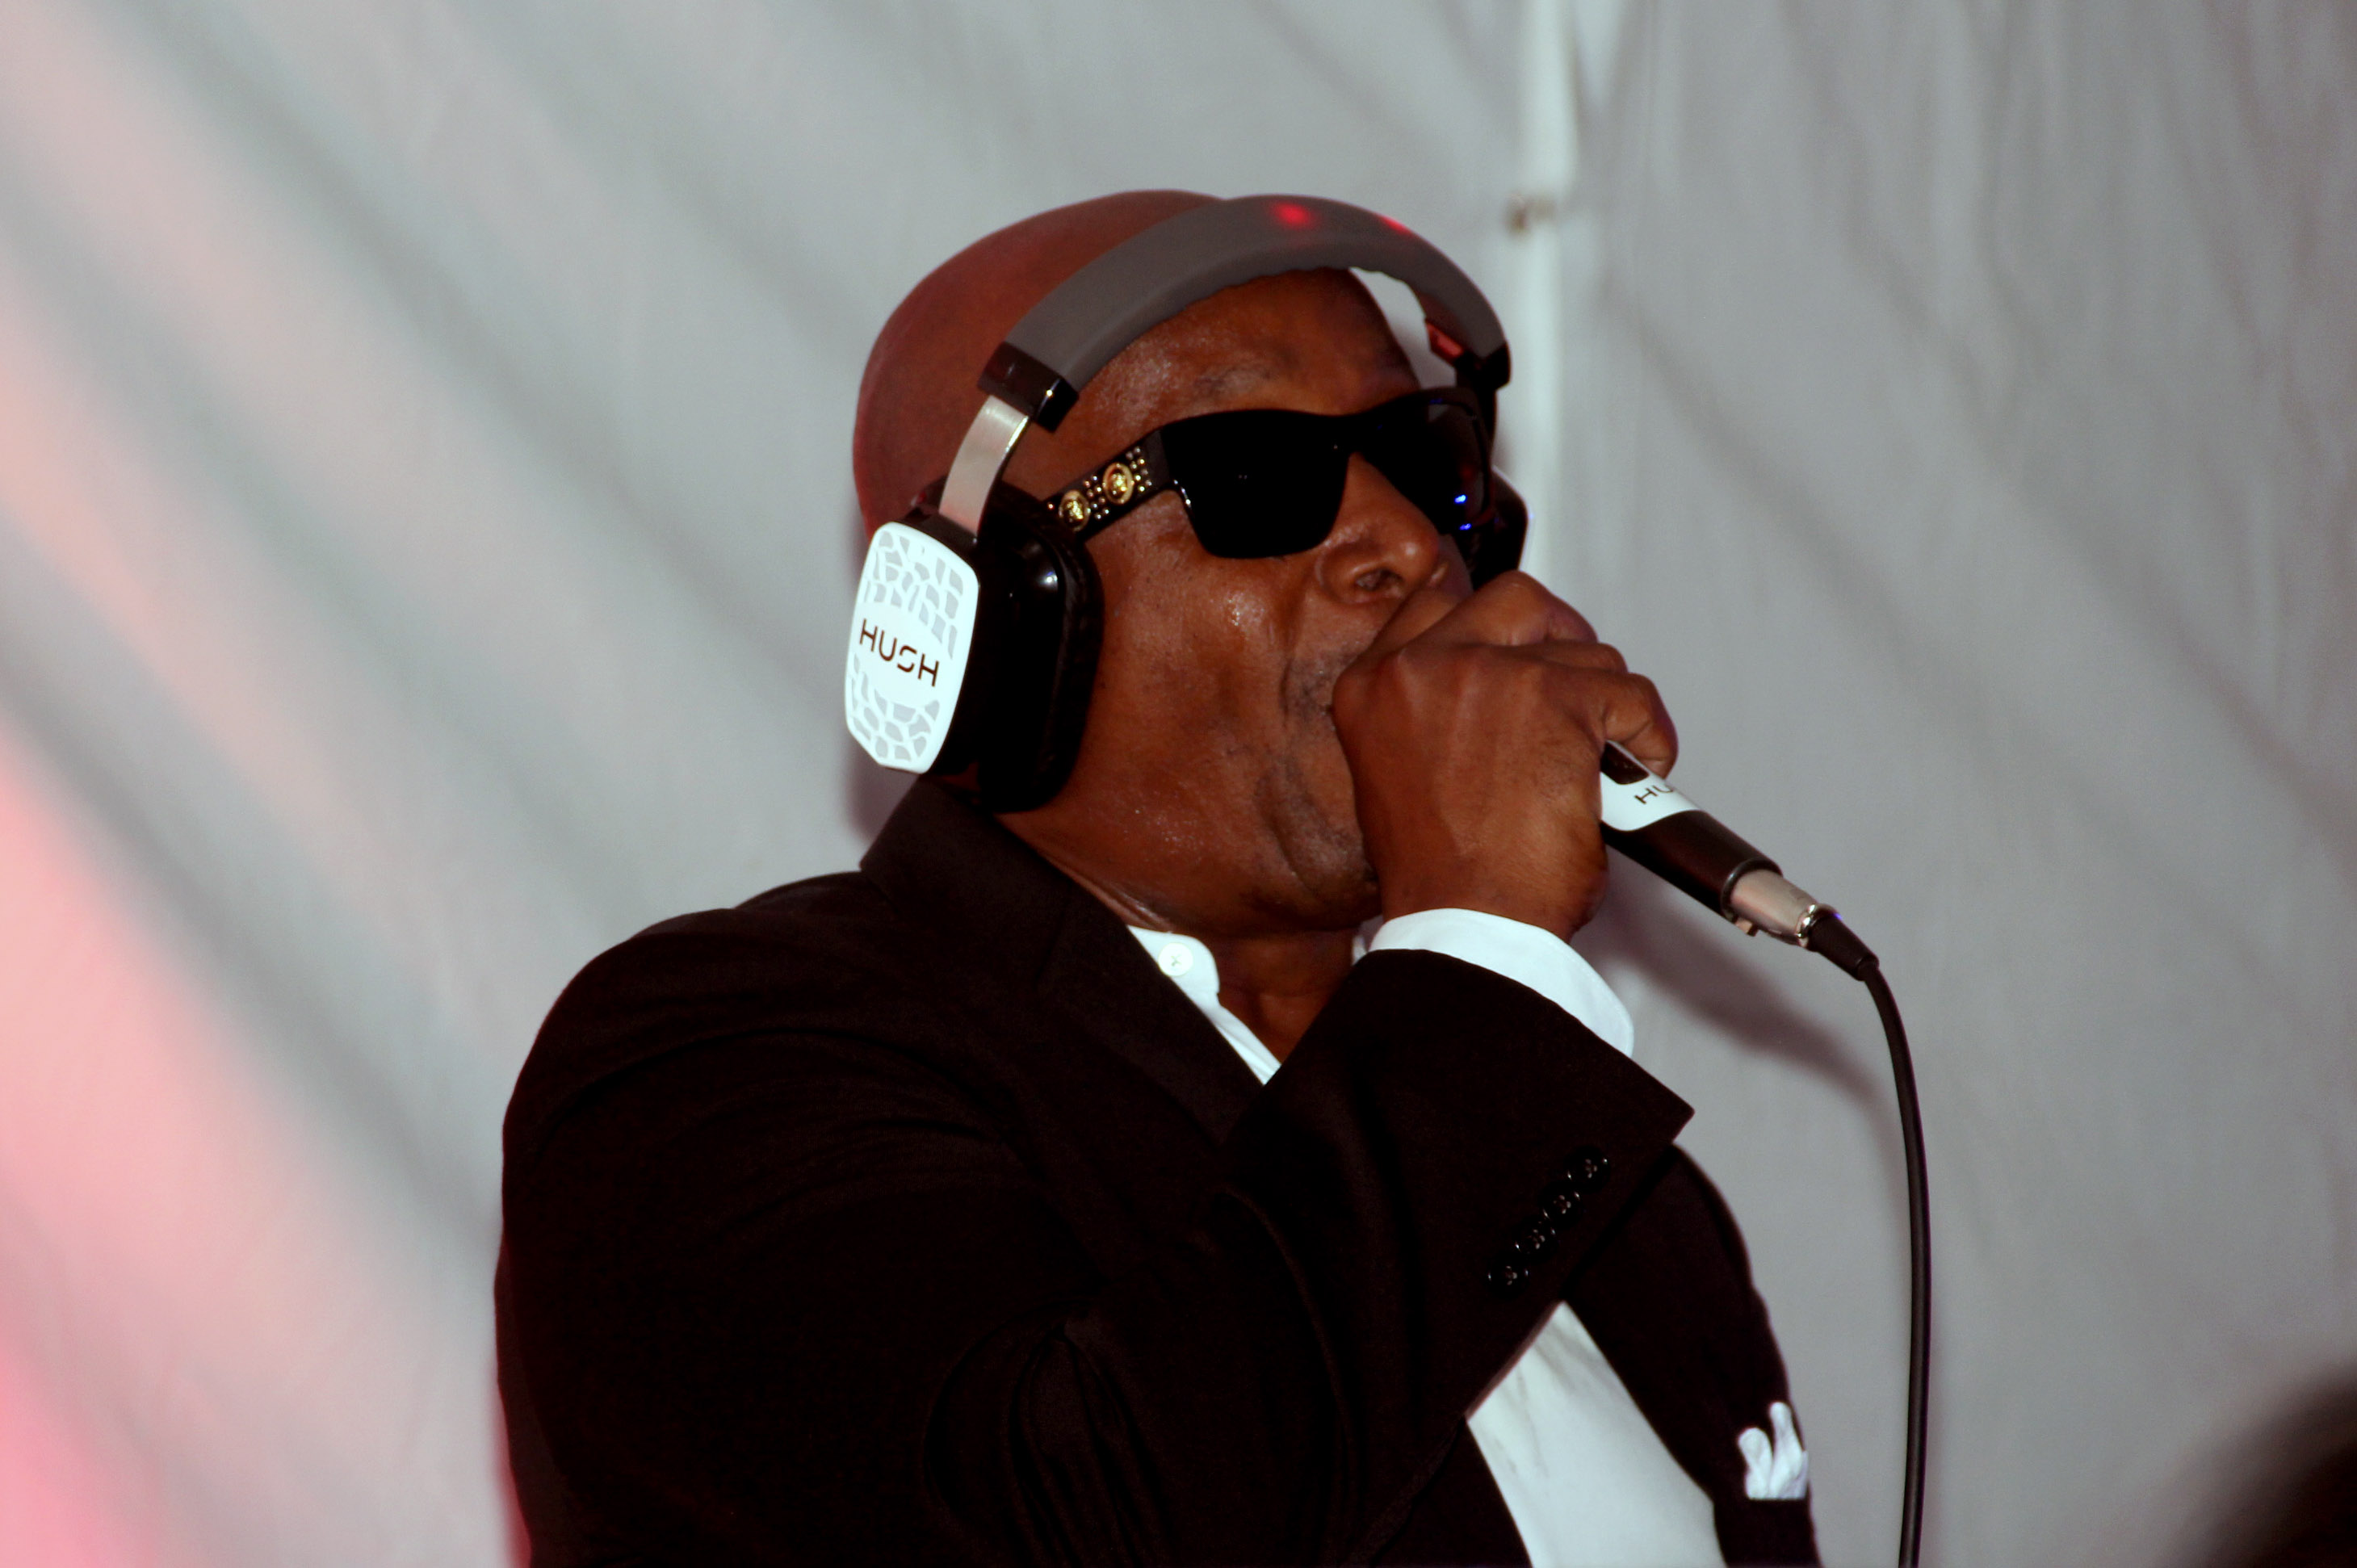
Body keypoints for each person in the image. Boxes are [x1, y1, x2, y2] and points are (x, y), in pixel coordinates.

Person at [496, 190, 1819, 1566]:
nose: (1407, 542)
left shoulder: (1610, 1192)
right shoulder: (712, 1060)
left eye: (1423, 459)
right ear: (1004, 617)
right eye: (1255, 474)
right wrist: (1486, 946)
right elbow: (1085, 1530)